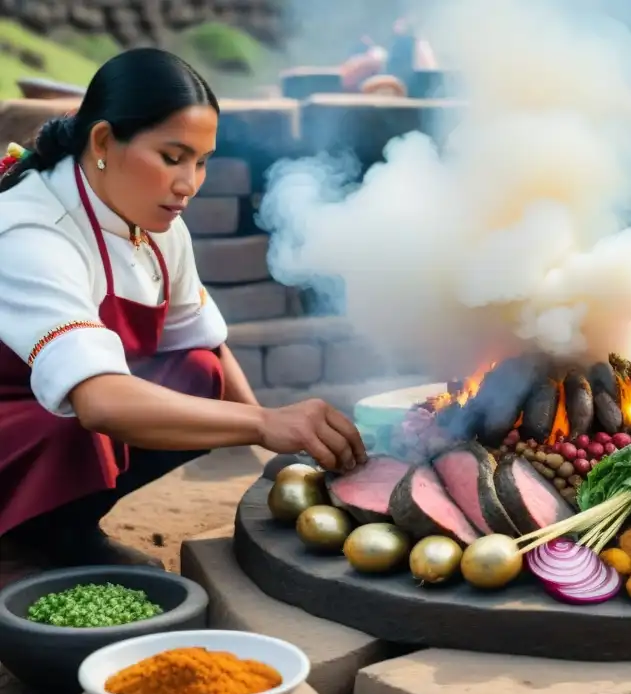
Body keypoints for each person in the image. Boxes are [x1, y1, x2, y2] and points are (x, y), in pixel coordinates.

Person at [0, 48, 366, 570]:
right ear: (103, 141)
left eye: (201, 162)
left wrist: (274, 459)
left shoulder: (153, 222)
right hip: (21, 422)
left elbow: (202, 345)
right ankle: (42, 542)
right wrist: (262, 422)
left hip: (66, 409)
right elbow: (100, 402)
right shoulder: (30, 230)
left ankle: (65, 530)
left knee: (199, 373)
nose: (188, 184)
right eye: (172, 158)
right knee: (80, 427)